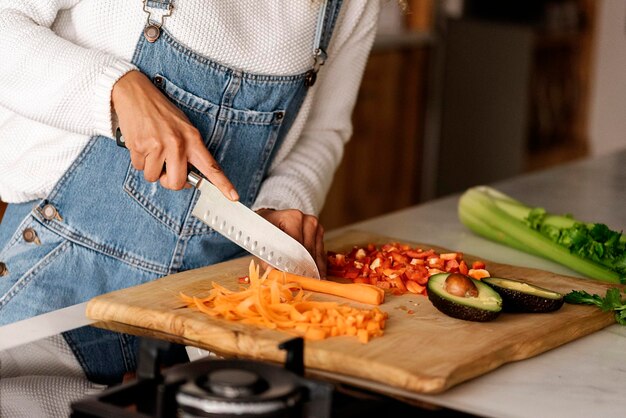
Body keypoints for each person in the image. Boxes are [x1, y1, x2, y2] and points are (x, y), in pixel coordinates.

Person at [0, 0, 381, 396]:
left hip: (211, 316)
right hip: (57, 288)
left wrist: (284, 203)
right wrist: (116, 88)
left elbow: (324, 132)